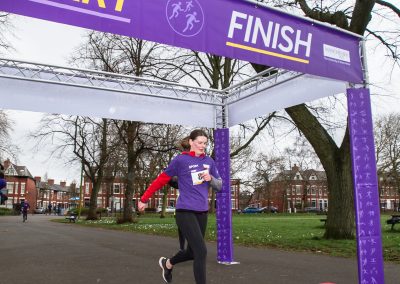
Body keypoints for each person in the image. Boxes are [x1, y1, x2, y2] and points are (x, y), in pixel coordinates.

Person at [138, 129, 222, 284]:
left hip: (202, 213)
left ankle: (167, 264)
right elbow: (161, 180)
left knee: (192, 252)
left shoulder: (209, 162)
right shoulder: (180, 160)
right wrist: (144, 198)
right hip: (185, 211)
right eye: (199, 143)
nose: (202, 146)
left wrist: (210, 178)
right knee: (201, 251)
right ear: (191, 142)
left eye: (205, 143)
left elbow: (219, 185)